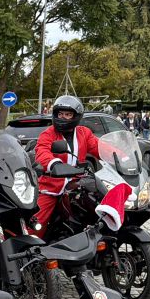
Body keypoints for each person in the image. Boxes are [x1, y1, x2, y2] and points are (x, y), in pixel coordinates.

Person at [32, 95, 101, 236]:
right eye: (60, 114)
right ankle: (30, 246)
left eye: (68, 114)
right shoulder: (48, 134)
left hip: (77, 185)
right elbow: (42, 151)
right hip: (52, 187)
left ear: (76, 116)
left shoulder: (84, 133)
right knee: (36, 222)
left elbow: (99, 148)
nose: (63, 117)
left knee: (98, 207)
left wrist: (120, 156)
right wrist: (54, 164)